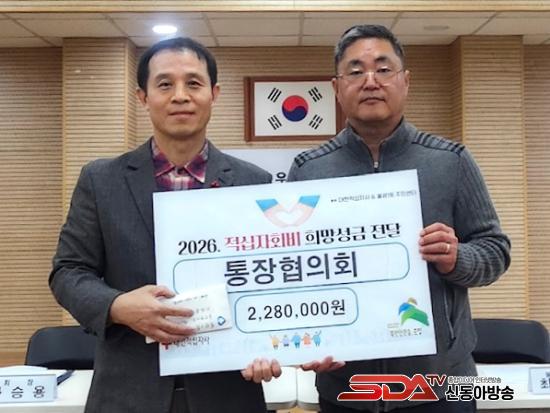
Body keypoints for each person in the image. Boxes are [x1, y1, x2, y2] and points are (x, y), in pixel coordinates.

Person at [49, 37, 280, 413]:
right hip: (128, 393)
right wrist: (118, 305)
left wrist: (268, 343)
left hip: (228, 392)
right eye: (165, 84)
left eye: (193, 83)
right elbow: (68, 272)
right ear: (143, 97)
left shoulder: (254, 183)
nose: (180, 96)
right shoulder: (101, 180)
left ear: (214, 94)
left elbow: (269, 283)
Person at [288, 25, 511, 413]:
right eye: (355, 71)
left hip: (442, 387)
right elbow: (294, 273)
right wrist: (307, 338)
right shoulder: (309, 171)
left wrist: (458, 258)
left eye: (383, 69)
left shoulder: (451, 161)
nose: (370, 81)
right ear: (337, 88)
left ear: (405, 81)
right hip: (347, 389)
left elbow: (496, 252)